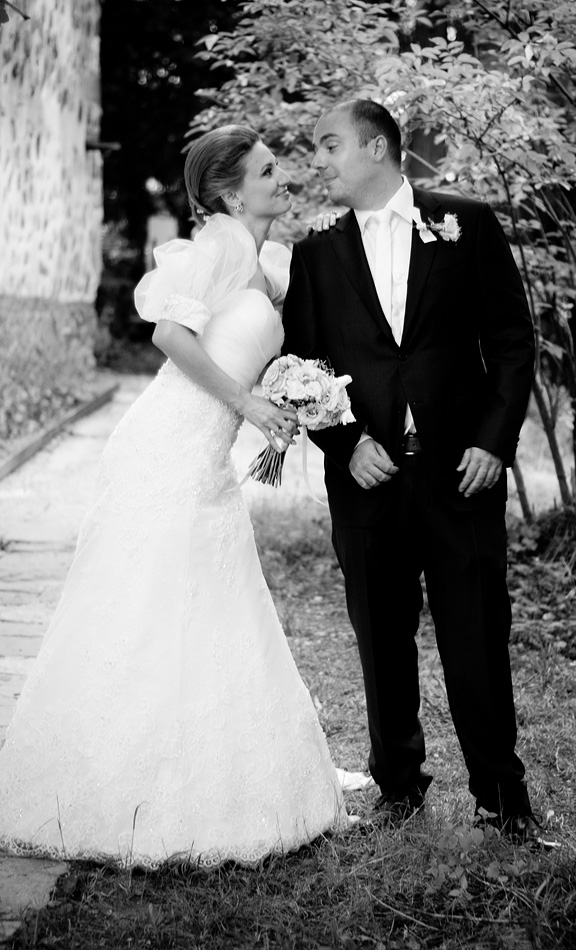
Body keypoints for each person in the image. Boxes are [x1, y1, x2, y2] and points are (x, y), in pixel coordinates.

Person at [0, 126, 349, 868]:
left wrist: (291, 395)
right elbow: (169, 335)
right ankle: (120, 782)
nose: (282, 177)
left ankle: (224, 773)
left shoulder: (267, 262)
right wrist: (248, 403)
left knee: (213, 601)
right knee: (148, 604)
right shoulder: (218, 246)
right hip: (168, 445)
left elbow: (255, 346)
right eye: (267, 170)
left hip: (207, 454)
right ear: (230, 192)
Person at [282, 99, 543, 843]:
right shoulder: (316, 251)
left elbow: (512, 341)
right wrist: (345, 444)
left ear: (376, 147)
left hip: (462, 474)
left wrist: (493, 443)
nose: (321, 159)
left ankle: (503, 801)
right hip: (368, 480)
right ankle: (399, 790)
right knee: (381, 640)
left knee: (478, 638)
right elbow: (300, 363)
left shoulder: (467, 223)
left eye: (330, 144)